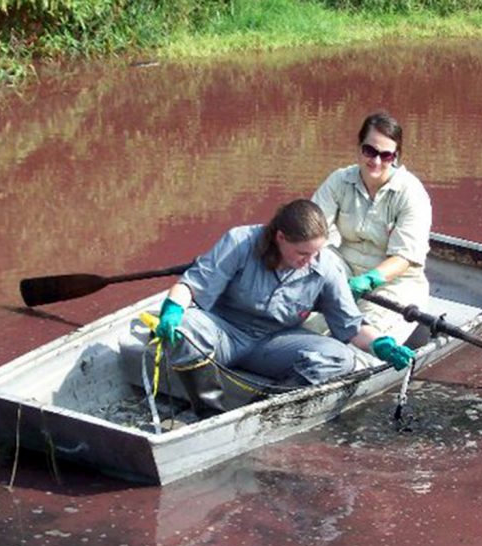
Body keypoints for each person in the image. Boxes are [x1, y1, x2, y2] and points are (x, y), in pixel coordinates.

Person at [153, 199, 415, 418]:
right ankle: (210, 416)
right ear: (280, 238)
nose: (310, 261)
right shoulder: (240, 242)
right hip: (224, 333)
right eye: (303, 253)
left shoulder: (326, 266)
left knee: (340, 357)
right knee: (186, 327)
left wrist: (383, 346)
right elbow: (190, 285)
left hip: (273, 343)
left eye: (315, 253)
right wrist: (172, 311)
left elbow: (352, 327)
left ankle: (260, 411)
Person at [312, 111, 432, 345]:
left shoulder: (412, 194)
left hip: (394, 284)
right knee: (300, 320)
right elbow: (311, 232)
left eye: (386, 155)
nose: (376, 161)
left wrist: (369, 280)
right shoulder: (339, 180)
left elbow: (404, 257)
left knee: (366, 341)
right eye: (370, 151)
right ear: (359, 147)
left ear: (396, 157)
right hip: (343, 271)